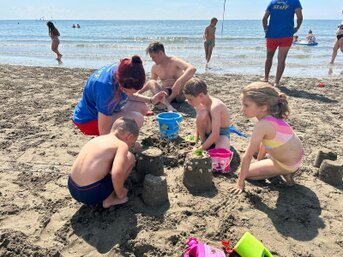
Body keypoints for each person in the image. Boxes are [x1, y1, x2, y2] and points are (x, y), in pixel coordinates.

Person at [232, 82, 304, 194]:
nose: (242, 109)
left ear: (263, 107)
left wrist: (240, 183)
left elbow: (248, 156)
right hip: (296, 158)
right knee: (257, 151)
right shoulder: (273, 116)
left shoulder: (262, 125)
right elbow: (266, 142)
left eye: (246, 105)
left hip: (287, 164)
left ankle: (284, 172)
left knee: (243, 172)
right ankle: (278, 169)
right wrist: (260, 160)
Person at [72, 55, 165, 136]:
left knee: (142, 107)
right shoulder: (106, 89)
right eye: (126, 91)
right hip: (88, 121)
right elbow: (103, 132)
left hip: (103, 111)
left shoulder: (124, 69)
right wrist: (126, 145)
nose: (130, 95)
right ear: (120, 84)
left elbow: (130, 94)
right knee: (137, 119)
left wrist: (151, 100)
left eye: (134, 91)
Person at [68, 117, 138, 208]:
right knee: (130, 158)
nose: (130, 146)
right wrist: (120, 193)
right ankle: (110, 199)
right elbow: (117, 173)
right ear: (129, 137)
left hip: (72, 188)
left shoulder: (98, 139)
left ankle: (106, 193)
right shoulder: (121, 144)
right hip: (91, 193)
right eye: (132, 143)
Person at [138, 41, 196, 112]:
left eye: (153, 57)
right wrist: (139, 93)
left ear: (160, 53)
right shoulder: (155, 67)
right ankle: (136, 95)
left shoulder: (174, 61)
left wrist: (178, 81)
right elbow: (153, 85)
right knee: (151, 82)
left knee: (188, 77)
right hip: (166, 93)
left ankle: (166, 103)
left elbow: (192, 68)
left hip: (179, 94)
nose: (152, 59)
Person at [261, 0, 303, 87]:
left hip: (272, 34)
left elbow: (264, 18)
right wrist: (297, 28)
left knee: (269, 56)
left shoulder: (273, 2)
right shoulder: (295, 1)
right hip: (287, 34)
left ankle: (266, 78)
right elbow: (299, 17)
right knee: (281, 59)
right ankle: (276, 82)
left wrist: (265, 30)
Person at [183, 78, 231, 150]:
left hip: (221, 133)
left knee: (221, 152)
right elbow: (198, 123)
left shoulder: (215, 107)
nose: (188, 102)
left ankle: (206, 145)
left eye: (190, 99)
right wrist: (195, 138)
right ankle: (203, 141)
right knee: (202, 113)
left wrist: (200, 149)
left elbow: (215, 134)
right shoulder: (199, 104)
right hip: (208, 132)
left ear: (201, 95)